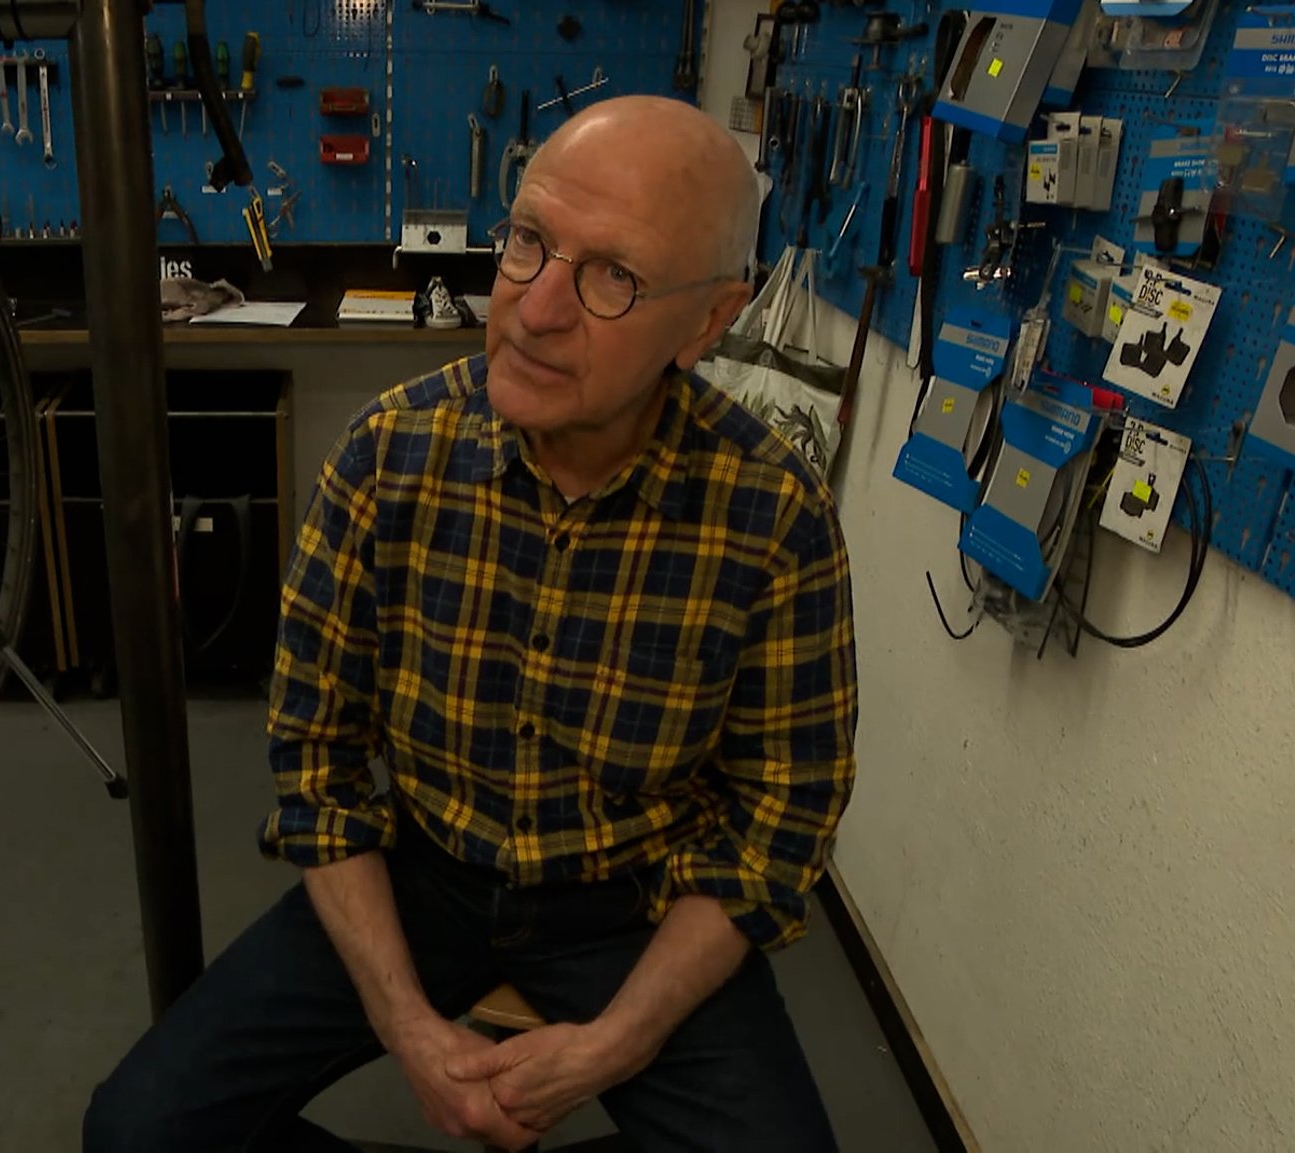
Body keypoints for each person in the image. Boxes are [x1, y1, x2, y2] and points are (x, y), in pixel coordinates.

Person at [84, 95, 857, 1152]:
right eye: (529, 242)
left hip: (630, 898)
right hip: (422, 866)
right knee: (138, 1133)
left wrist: (613, 1044)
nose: (534, 311)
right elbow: (316, 758)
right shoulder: (385, 455)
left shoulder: (772, 515)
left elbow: (780, 813)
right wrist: (407, 1028)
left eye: (612, 277)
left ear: (709, 321)